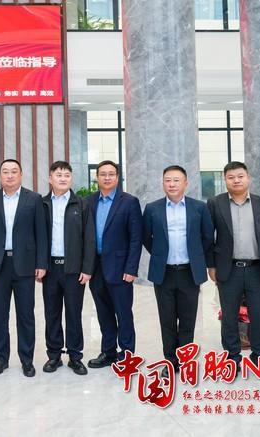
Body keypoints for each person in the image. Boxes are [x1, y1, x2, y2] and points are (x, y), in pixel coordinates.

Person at [207, 161, 260, 375]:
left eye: (240, 176)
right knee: (229, 317)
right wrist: (212, 265)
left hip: (257, 269)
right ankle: (232, 360)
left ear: (248, 178)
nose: (236, 180)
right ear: (225, 180)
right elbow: (208, 237)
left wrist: (259, 254)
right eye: (231, 177)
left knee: (259, 316)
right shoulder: (215, 203)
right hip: (228, 269)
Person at [142, 165, 214, 375]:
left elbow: (207, 236)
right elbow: (146, 237)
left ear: (185, 183)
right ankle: (170, 361)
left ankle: (185, 361)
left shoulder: (199, 208)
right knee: (167, 320)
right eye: (168, 180)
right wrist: (160, 254)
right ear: (163, 183)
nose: (172, 184)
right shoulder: (152, 208)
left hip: (189, 272)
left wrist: (197, 257)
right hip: (163, 272)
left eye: (176, 180)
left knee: (188, 319)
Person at [0, 159, 48, 377]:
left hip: (25, 265)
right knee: (0, 315)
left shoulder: (34, 199)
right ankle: (1, 359)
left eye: (13, 171)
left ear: (21, 174)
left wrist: (41, 263)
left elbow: (41, 233)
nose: (9, 175)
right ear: (0, 175)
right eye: (5, 172)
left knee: (25, 315)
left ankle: (27, 360)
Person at [84, 160, 143, 368]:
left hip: (120, 268)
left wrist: (131, 268)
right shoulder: (89, 202)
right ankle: (108, 352)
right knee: (103, 312)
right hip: (96, 267)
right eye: (103, 174)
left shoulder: (129, 202)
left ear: (117, 178)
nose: (107, 177)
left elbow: (136, 238)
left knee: (123, 313)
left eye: (111, 174)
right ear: (97, 177)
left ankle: (127, 355)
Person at [41, 161, 95, 375]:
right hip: (50, 268)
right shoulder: (42, 204)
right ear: (50, 178)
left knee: (74, 312)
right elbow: (37, 237)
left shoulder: (81, 204)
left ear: (71, 178)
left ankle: (75, 356)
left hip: (74, 269)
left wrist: (87, 268)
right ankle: (54, 355)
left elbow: (89, 238)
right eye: (58, 175)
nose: (63, 178)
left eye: (67, 175)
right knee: (51, 313)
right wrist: (40, 265)